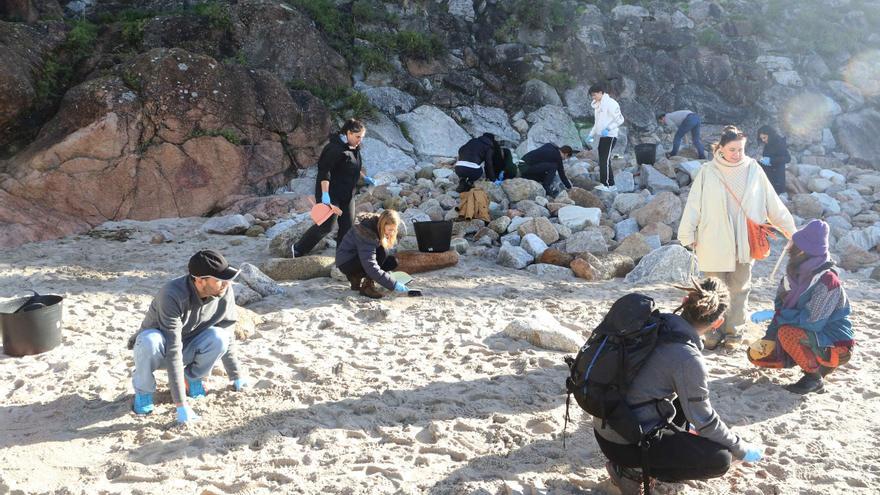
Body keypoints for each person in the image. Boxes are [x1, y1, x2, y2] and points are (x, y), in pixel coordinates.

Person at [594, 278, 764, 494]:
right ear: (718, 322)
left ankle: (634, 463)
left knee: (684, 401)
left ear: (685, 301)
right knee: (720, 459)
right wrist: (741, 448)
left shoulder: (652, 323)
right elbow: (705, 422)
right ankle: (630, 472)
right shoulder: (687, 358)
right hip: (623, 445)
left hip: (604, 424)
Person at [678, 125, 796, 349]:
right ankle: (712, 332)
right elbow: (694, 205)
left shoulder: (753, 169)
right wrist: (687, 234)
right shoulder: (708, 171)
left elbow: (772, 203)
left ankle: (734, 334)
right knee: (712, 290)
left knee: (740, 287)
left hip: (745, 240)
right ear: (720, 148)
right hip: (712, 238)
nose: (737, 154)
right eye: (732, 149)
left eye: (741, 149)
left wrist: (790, 230)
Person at [128, 249, 246, 424]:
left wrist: (236, 377)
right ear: (199, 280)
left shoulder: (223, 291)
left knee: (220, 336)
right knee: (148, 340)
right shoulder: (171, 295)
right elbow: (173, 349)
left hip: (190, 345)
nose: (226, 283)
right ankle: (144, 393)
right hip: (159, 350)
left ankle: (191, 378)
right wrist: (181, 405)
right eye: (220, 280)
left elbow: (227, 330)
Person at [747, 220, 854, 394]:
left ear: (803, 251)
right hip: (803, 333)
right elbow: (780, 310)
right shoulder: (791, 277)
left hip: (834, 343)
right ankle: (810, 362)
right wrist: (769, 338)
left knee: (786, 332)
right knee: (756, 354)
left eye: (793, 245)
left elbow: (812, 322)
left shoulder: (827, 281)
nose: (789, 249)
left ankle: (814, 378)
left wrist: (780, 318)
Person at [292, 119, 375, 257]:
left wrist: (364, 178)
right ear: (348, 133)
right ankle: (298, 249)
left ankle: (342, 256)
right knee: (327, 225)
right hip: (330, 193)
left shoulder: (354, 147)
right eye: (357, 137)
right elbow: (325, 172)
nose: (360, 140)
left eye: (362, 137)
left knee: (347, 226)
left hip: (347, 193)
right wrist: (325, 196)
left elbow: (352, 166)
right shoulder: (334, 149)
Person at [336, 210, 409, 299]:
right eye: (390, 229)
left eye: (394, 230)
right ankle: (367, 287)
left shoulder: (375, 225)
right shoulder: (367, 234)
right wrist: (394, 285)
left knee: (392, 262)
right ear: (382, 225)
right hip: (346, 262)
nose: (392, 233)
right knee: (382, 252)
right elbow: (371, 266)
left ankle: (355, 277)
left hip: (353, 259)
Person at [756, 125, 791, 195]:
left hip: (777, 177)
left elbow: (788, 158)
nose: (763, 140)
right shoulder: (768, 143)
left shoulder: (779, 142)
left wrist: (770, 160)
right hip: (769, 173)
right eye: (761, 138)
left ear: (770, 134)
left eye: (764, 137)